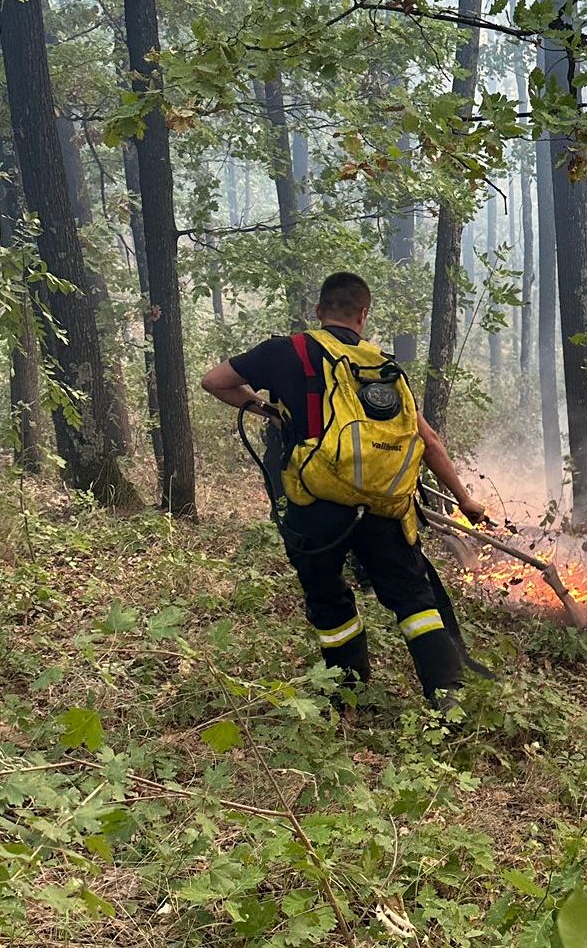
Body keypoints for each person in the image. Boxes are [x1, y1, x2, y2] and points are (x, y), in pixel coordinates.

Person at [200, 272, 487, 711]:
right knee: (413, 598)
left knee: (328, 598)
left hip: (314, 506)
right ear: (363, 315)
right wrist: (464, 499)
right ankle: (448, 697)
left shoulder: (287, 351)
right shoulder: (383, 366)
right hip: (383, 503)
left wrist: (265, 409)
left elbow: (214, 380)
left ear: (319, 311)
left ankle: (349, 695)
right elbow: (427, 439)